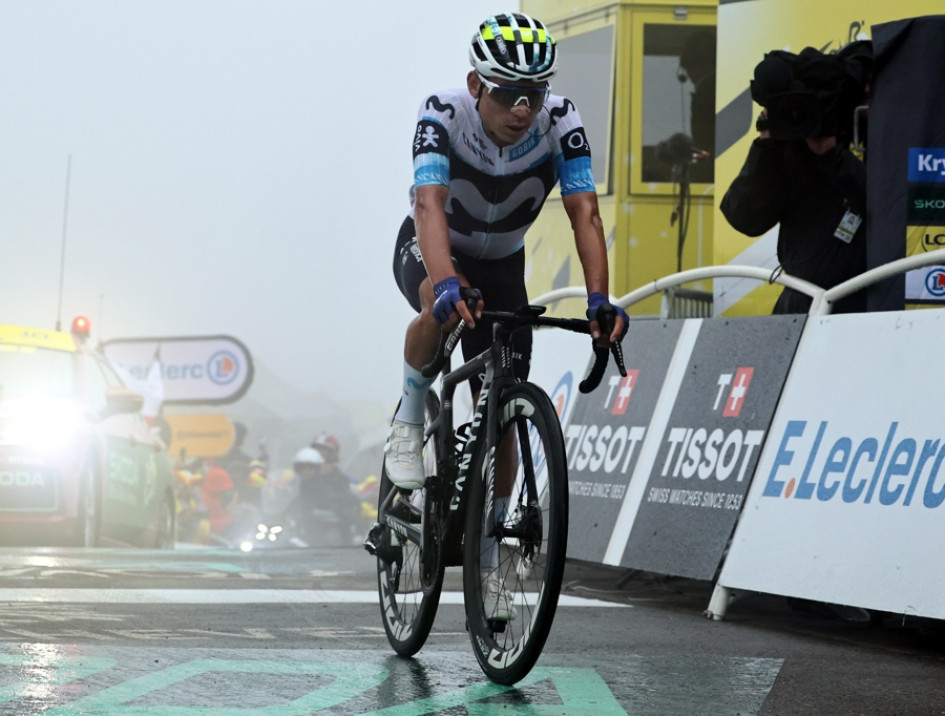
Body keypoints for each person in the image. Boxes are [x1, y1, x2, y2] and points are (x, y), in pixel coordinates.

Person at [385, 11, 628, 491]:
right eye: (506, 92)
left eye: (534, 94)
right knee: (439, 299)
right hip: (434, 244)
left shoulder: (560, 120)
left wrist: (599, 298)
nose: (522, 108)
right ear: (476, 84)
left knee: (503, 407)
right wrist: (449, 282)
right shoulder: (443, 112)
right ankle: (409, 424)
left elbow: (585, 213)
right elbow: (429, 203)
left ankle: (492, 541)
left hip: (503, 263)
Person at [720, 44, 872, 314]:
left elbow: (885, 205)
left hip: (865, 305)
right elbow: (745, 217)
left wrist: (834, 156)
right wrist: (767, 141)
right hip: (801, 305)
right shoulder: (788, 145)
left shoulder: (875, 139)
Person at [284, 447, 360, 545]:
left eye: (310, 467)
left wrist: (324, 512)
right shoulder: (293, 486)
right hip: (299, 532)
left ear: (318, 469)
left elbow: (340, 506)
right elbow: (286, 504)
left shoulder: (328, 487)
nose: (306, 471)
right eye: (301, 467)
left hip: (323, 534)